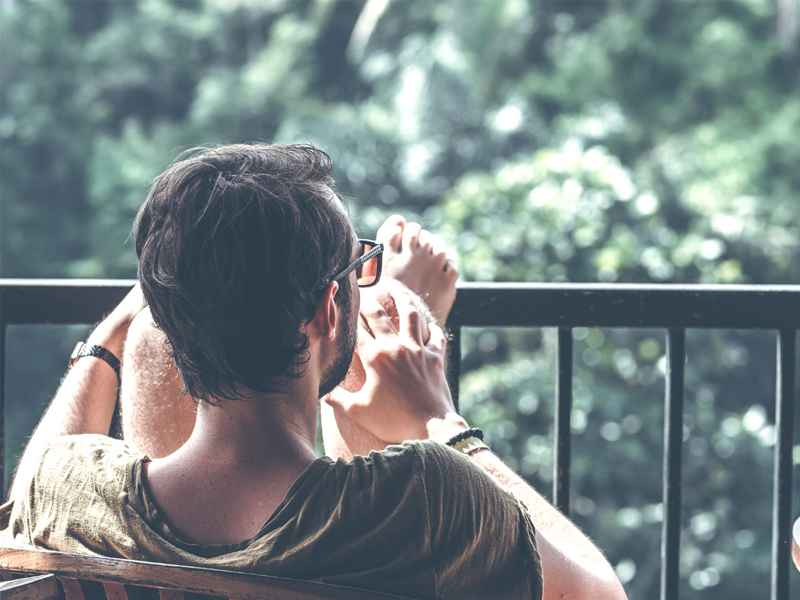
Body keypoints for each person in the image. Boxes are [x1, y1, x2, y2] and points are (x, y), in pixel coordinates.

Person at [0, 143, 626, 600]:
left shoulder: (66, 490)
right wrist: (444, 422)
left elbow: (26, 501)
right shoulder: (429, 499)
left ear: (165, 314)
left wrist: (111, 336)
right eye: (357, 271)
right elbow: (599, 594)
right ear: (329, 308)